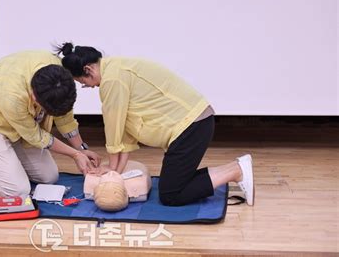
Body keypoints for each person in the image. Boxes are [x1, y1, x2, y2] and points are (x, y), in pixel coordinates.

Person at [56, 42, 254, 206]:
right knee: (174, 185)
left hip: (192, 127)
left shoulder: (112, 79)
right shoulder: (116, 69)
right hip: (194, 124)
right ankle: (236, 169)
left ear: (88, 70)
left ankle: (235, 170)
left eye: (83, 82)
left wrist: (112, 169)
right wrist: (115, 169)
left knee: (171, 195)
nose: (87, 87)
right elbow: (123, 130)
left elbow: (113, 128)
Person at [0, 50, 101, 197]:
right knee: (16, 192)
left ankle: (6, 161)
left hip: (17, 127)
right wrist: (75, 155)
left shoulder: (59, 77)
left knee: (49, 177)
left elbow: (65, 118)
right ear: (35, 97)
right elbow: (36, 136)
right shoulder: (12, 96)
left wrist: (81, 149)